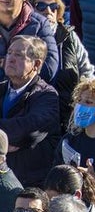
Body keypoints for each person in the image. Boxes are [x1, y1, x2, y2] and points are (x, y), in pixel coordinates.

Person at [0, 39, 62, 189]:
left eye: (19, 55)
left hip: (27, 185)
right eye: (9, 53)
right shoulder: (1, 88)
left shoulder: (47, 96)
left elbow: (25, 131)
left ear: (37, 64)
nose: (11, 59)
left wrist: (4, 140)